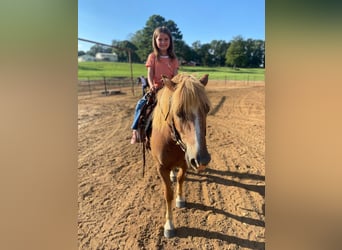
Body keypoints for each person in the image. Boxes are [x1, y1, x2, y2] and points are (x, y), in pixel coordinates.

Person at [130, 26, 179, 144]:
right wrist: (151, 85)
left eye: (166, 39)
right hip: (156, 88)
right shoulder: (152, 57)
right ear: (155, 41)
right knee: (140, 104)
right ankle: (135, 131)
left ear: (170, 41)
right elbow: (150, 74)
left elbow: (176, 76)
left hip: (169, 89)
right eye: (160, 39)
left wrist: (175, 87)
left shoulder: (174, 59)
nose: (163, 42)